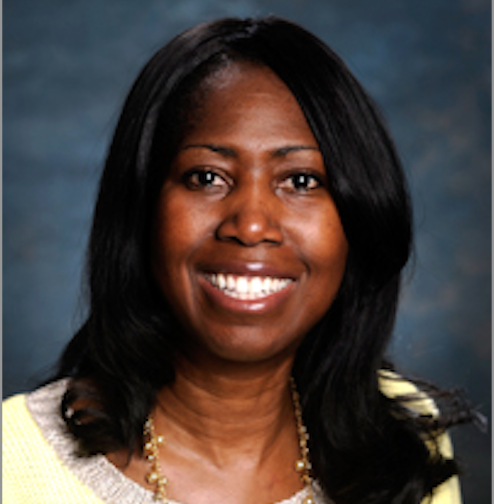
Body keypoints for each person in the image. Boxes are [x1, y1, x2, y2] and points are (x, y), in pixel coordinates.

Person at [3, 16, 477, 504]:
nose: (250, 226)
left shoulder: (396, 440)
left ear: (359, 217)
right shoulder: (12, 462)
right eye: (207, 177)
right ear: (142, 208)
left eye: (300, 181)